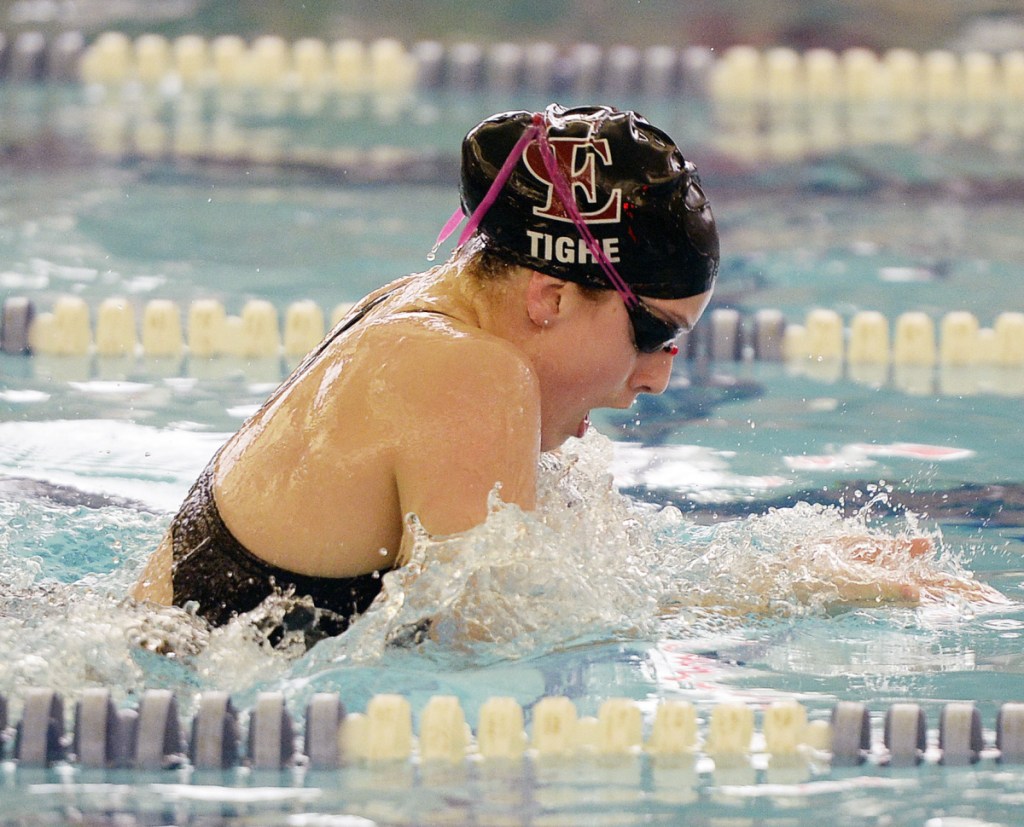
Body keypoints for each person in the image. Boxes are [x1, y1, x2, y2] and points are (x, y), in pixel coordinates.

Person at [132, 104, 719, 638]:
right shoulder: (468, 372)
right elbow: (489, 649)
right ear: (551, 298)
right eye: (654, 334)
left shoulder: (413, 311)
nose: (656, 378)